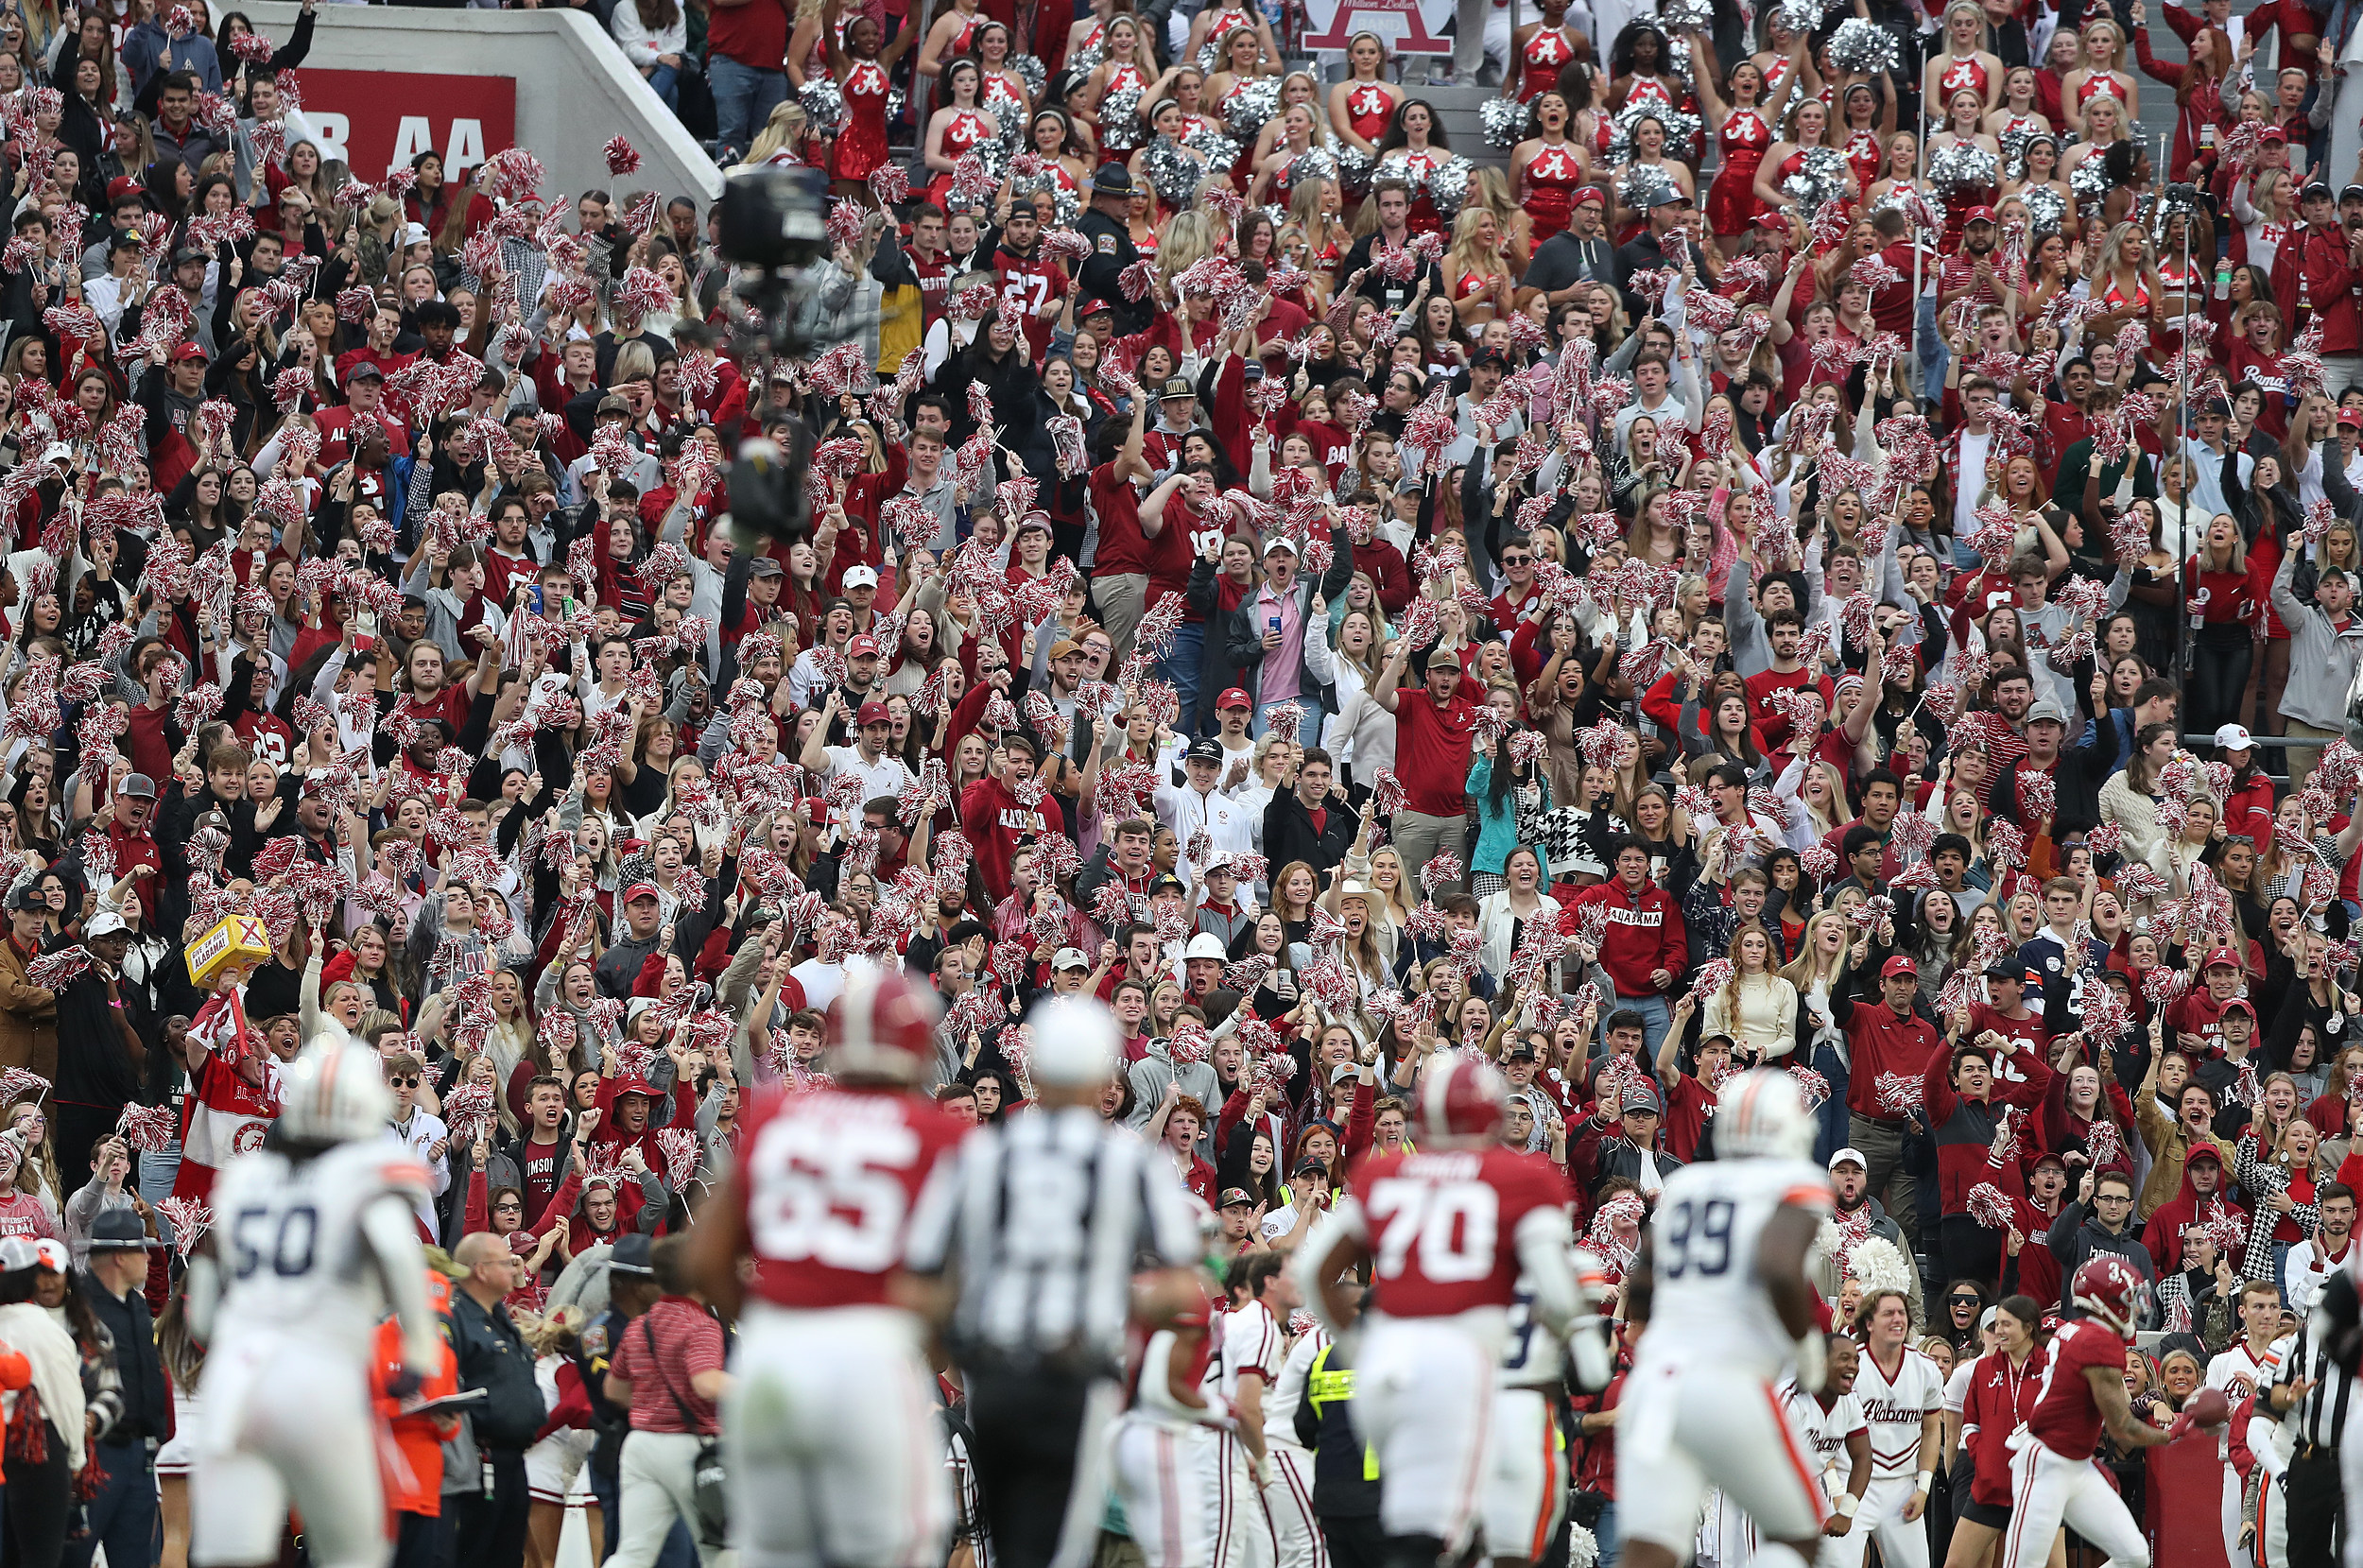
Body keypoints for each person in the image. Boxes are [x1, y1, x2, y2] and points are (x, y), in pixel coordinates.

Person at [681, 962, 969, 1568]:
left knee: (776, 1554)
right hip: (867, 1355)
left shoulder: (780, 1115)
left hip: (773, 1358)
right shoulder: (938, 1134)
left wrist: (767, 1325)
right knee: (897, 1547)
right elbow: (963, 1280)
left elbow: (705, 1258)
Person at [904, 995, 1203, 1568]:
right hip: (1074, 1371)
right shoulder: (1128, 1163)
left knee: (1008, 1539)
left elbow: (922, 1283)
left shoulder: (979, 1156)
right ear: (1098, 1077)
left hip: (992, 1373)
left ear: (1036, 1073)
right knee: (1062, 1543)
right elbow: (1180, 1291)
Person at [1294, 1054, 1606, 1568]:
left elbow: (1314, 1275)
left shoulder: (1388, 1173)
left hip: (1386, 1370)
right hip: (1461, 1368)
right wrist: (1587, 1350)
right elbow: (1554, 1284)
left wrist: (1357, 1346)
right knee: (1484, 1539)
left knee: (1414, 1538)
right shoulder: (1522, 1177)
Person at [184, 1041, 443, 1568]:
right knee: (353, 1550)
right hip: (315, 1376)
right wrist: (419, 1354)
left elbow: (205, 1296)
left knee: (229, 1553)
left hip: (236, 1380)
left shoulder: (247, 1180)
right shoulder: (368, 1172)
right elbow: (400, 1258)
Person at [1612, 1072, 1835, 1568]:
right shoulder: (1794, 1183)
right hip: (1727, 1382)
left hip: (1654, 1385)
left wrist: (1645, 1336)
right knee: (1799, 1534)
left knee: (1650, 1551)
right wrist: (1805, 1346)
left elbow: (1643, 1280)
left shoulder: (1687, 1184)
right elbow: (1779, 1267)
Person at [1995, 1254, 2208, 1568]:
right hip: (2047, 1464)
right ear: (2103, 1300)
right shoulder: (2097, 1342)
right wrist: (2173, 1432)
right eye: (2128, 1298)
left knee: (2135, 1556)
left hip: (2077, 1463)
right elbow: (2121, 1426)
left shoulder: (2076, 1330)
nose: (2136, 1307)